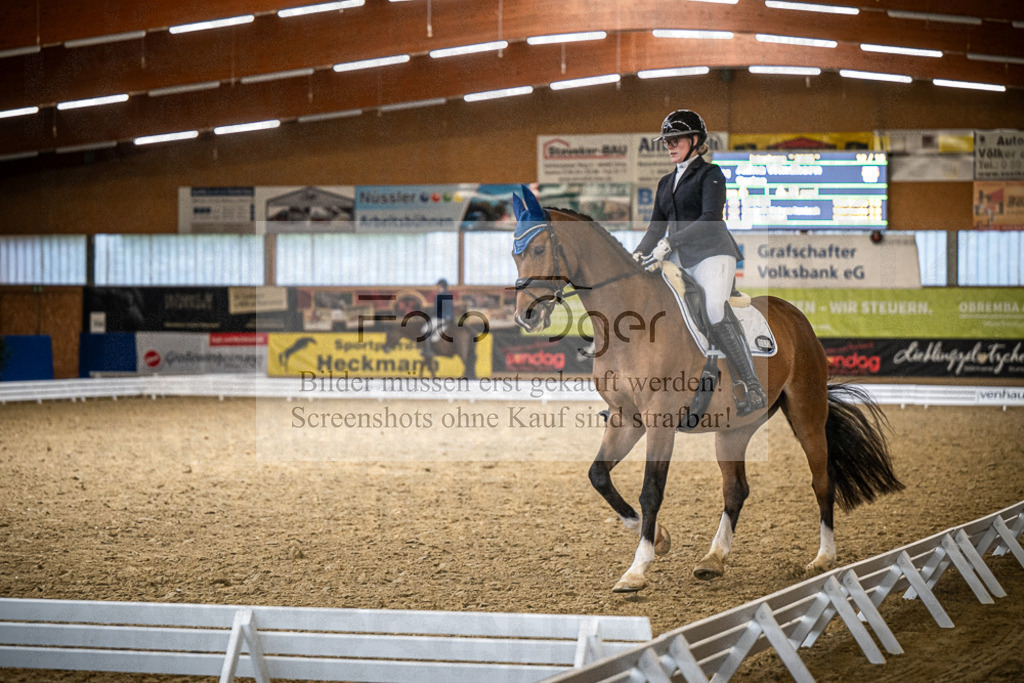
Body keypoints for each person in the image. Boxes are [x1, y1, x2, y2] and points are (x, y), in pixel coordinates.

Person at [633, 109, 767, 415]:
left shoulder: (711, 174)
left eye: (675, 139)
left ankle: (752, 385)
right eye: (666, 140)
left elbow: (709, 219)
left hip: (713, 254)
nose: (669, 145)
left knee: (713, 309)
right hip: (679, 255)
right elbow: (656, 226)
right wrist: (637, 254)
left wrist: (669, 243)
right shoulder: (666, 182)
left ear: (695, 141)